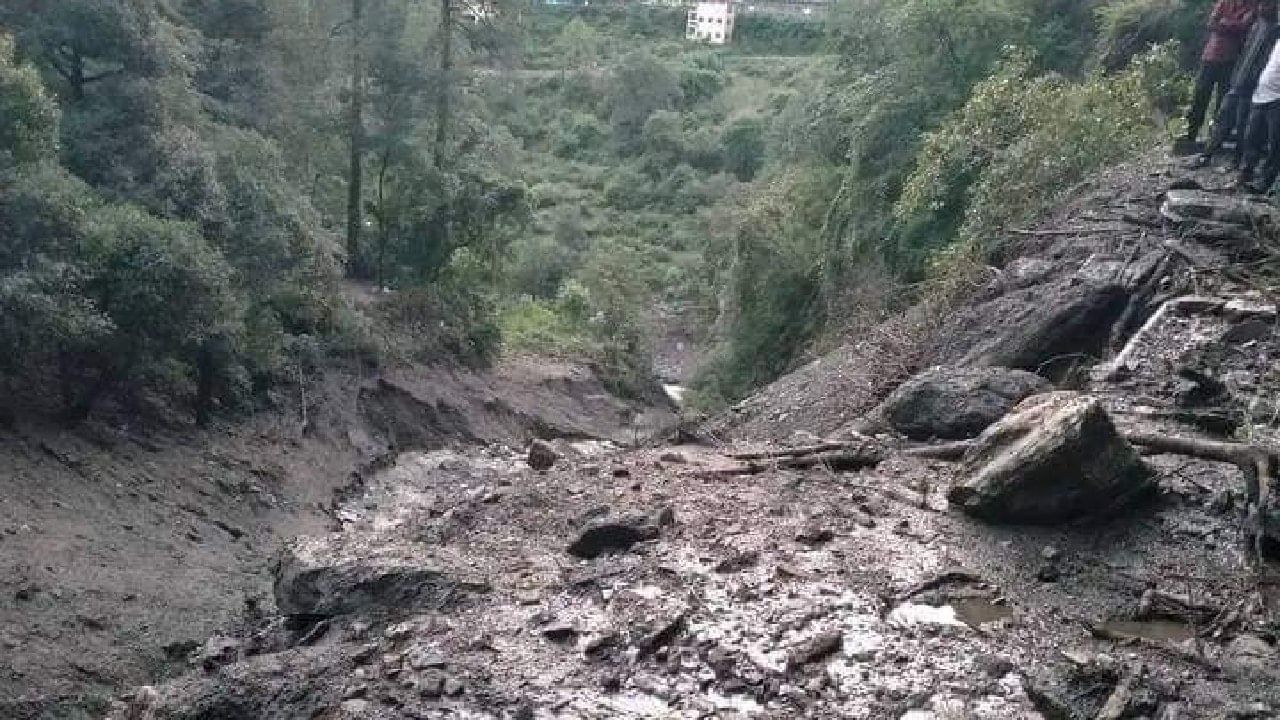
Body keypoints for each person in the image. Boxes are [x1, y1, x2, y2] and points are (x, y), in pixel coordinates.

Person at [1200, 0, 1280, 165]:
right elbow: (1244, 52)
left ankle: (1237, 161)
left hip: (1254, 85)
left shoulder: (1275, 31)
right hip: (1239, 79)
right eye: (1262, 5)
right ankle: (1206, 155)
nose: (1262, 8)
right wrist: (1236, 76)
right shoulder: (1257, 26)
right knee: (1224, 117)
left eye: (1267, 5)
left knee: (1244, 124)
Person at [1182, 0, 1259, 148]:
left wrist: (1224, 23)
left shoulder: (1252, 6)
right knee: (1200, 95)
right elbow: (1211, 24)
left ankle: (1215, 137)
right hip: (1211, 56)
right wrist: (1233, 25)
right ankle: (1191, 133)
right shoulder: (1225, 2)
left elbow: (1244, 26)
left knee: (1223, 100)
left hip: (1230, 60)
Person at [1238, 33, 1280, 192]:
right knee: (1251, 138)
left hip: (1277, 99)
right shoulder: (1276, 40)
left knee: (1275, 143)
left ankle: (1264, 182)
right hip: (1260, 95)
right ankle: (1245, 175)